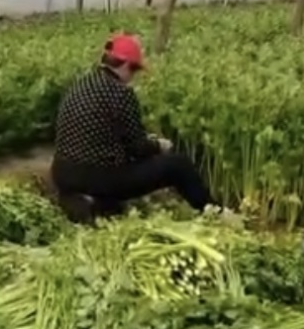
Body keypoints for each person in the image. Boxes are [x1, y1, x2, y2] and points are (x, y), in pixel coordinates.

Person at [52, 33, 215, 216]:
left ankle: (95, 205)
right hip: (96, 176)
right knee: (178, 165)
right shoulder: (121, 93)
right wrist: (159, 145)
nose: (133, 76)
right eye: (134, 70)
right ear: (126, 66)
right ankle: (211, 210)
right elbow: (137, 148)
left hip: (63, 173)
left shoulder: (82, 83)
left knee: (115, 186)